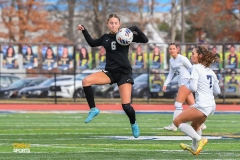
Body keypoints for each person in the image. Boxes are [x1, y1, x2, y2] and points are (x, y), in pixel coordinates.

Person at [77, 13, 148, 138]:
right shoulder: (105, 38)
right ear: (107, 24)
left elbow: (145, 40)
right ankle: (93, 109)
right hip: (110, 72)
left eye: (116, 23)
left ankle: (133, 123)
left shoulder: (126, 35)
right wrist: (84, 31)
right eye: (111, 23)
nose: (113, 25)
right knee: (85, 81)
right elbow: (92, 43)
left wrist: (134, 28)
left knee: (126, 106)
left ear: (119, 24)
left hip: (124, 73)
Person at [173, 45, 221, 155]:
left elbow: (193, 87)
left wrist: (186, 85)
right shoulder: (211, 71)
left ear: (199, 56)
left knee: (177, 121)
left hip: (203, 105)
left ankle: (200, 140)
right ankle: (194, 148)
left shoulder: (196, 67)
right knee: (195, 126)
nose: (191, 55)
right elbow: (217, 91)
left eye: (193, 53)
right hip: (211, 106)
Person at [162, 43, 195, 131]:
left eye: (173, 48)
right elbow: (171, 73)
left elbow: (192, 68)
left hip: (186, 81)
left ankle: (174, 125)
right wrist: (165, 83)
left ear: (177, 50)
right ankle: (201, 123)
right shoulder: (171, 60)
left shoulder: (182, 58)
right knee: (192, 105)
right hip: (182, 82)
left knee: (178, 104)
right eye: (170, 49)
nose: (172, 50)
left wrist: (193, 81)